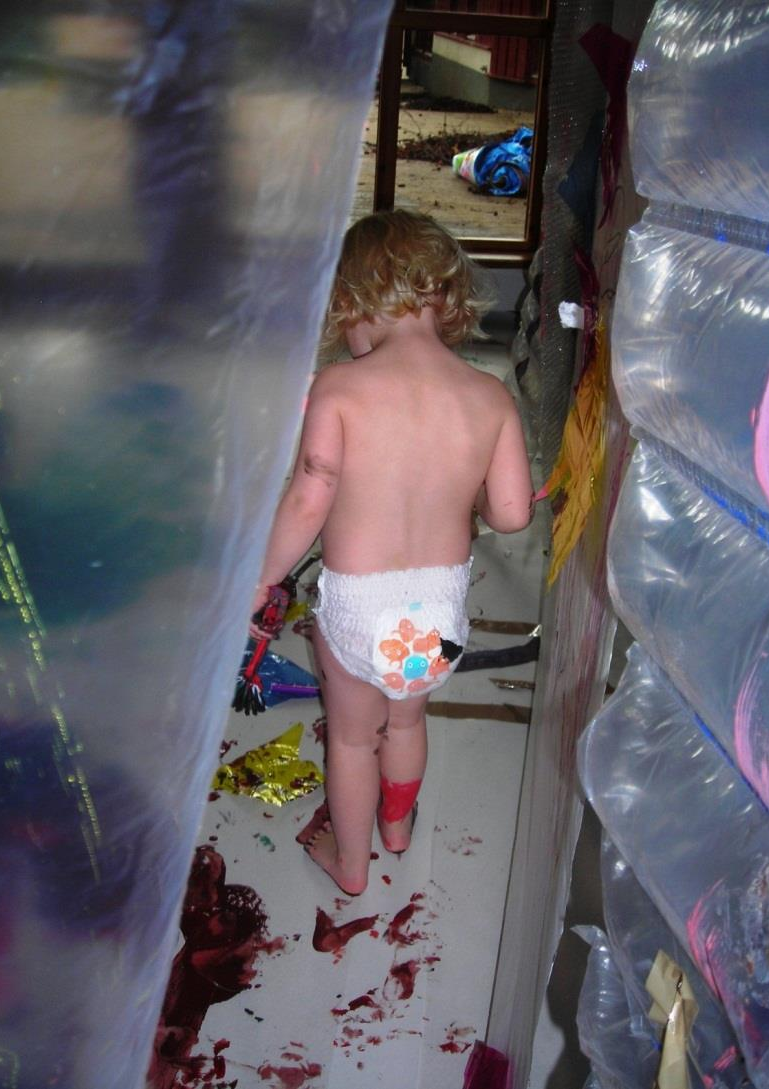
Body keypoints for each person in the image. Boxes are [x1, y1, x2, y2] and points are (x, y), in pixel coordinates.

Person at [249, 209, 534, 895]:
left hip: (357, 608)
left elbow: (309, 496)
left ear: (353, 302)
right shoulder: (489, 396)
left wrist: (259, 579)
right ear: (446, 297)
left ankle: (349, 866)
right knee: (406, 718)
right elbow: (513, 514)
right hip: (436, 620)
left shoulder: (339, 389)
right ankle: (398, 829)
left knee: (351, 738)